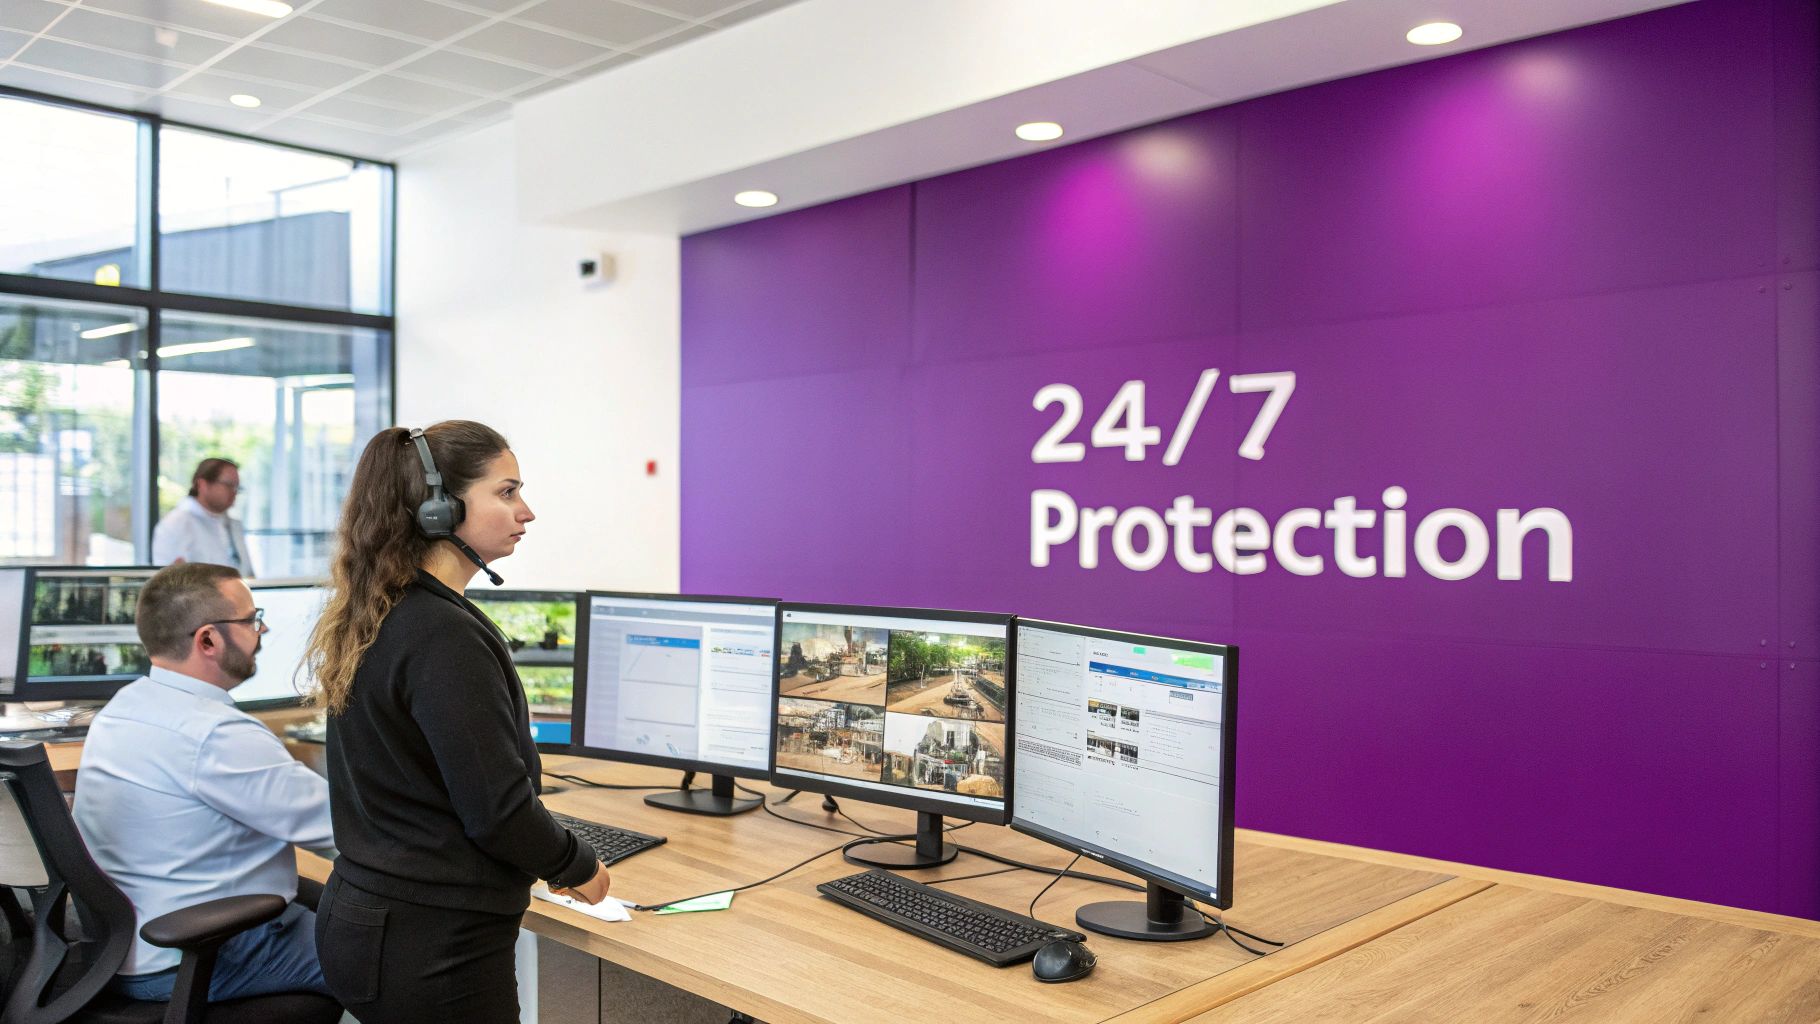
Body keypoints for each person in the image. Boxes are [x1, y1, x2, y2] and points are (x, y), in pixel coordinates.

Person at [306, 421, 608, 1023]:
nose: (526, 511)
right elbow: (497, 811)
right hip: (432, 947)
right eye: (506, 491)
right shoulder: (443, 635)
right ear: (440, 509)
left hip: (374, 921)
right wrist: (578, 865)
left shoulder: (384, 611)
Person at [73, 562, 335, 1003]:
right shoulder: (215, 734)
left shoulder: (125, 705)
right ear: (208, 639)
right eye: (252, 619)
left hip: (125, 947)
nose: (263, 628)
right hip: (207, 952)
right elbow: (349, 829)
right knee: (406, 960)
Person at [152, 458, 255, 575]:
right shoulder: (175, 525)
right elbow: (169, 584)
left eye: (237, 487)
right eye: (228, 485)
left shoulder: (233, 525)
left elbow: (247, 572)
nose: (234, 492)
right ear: (202, 485)